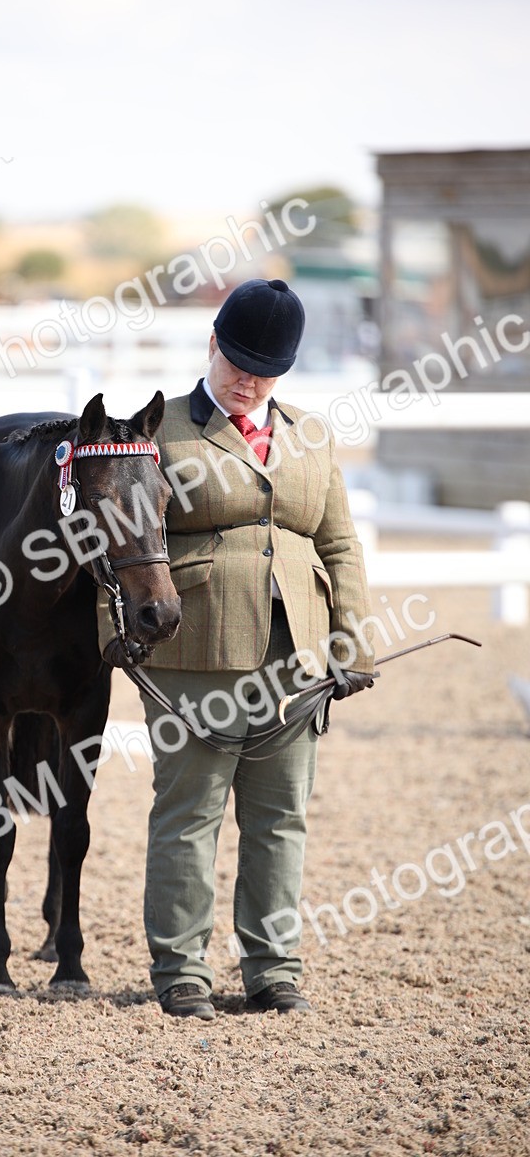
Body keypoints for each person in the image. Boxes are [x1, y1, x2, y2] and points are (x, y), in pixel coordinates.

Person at [100, 278, 376, 1019]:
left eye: (267, 370)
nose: (249, 381)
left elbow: (339, 543)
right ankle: (181, 971)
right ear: (212, 343)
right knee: (189, 812)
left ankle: (272, 969)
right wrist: (118, 640)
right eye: (238, 363)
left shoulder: (310, 435)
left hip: (297, 658)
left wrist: (353, 641)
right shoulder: (157, 434)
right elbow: (112, 543)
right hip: (193, 651)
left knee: (281, 816)